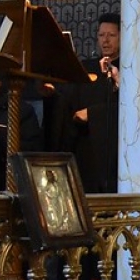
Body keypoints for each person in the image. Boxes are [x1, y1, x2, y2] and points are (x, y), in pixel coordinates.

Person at [53, 12, 121, 193]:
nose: (105, 40)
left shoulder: (128, 67)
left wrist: (93, 114)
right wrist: (52, 93)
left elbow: (126, 108)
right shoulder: (85, 67)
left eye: (111, 35)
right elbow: (68, 98)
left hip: (111, 147)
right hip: (84, 144)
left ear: (122, 37)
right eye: (101, 35)